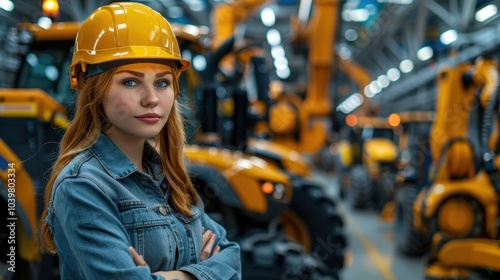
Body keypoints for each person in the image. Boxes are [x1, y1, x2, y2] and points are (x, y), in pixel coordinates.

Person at [39, 2, 241, 279]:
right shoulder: (82, 186)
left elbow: (232, 258)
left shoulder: (171, 177)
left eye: (162, 82)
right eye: (130, 82)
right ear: (95, 91)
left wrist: (168, 276)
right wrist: (202, 273)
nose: (152, 99)